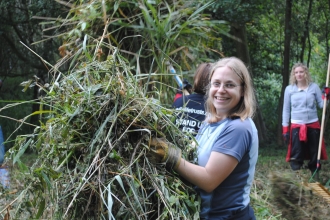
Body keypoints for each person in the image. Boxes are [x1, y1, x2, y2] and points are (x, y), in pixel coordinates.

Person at [150, 57, 258, 219]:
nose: (221, 90)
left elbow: (209, 180)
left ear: (243, 90)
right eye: (216, 83)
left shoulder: (238, 128)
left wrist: (171, 156)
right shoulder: (211, 121)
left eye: (229, 85)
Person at [282, 62, 328, 176]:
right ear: (294, 74)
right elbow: (286, 110)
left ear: (306, 73)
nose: (299, 74)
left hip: (313, 124)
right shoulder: (289, 89)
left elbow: (322, 105)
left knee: (314, 152)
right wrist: (285, 129)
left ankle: (315, 175)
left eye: (301, 72)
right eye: (296, 72)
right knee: (297, 152)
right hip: (296, 125)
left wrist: (326, 96)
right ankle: (297, 177)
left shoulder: (314, 87)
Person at [173, 63, 212, 135]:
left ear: (196, 79)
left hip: (174, 145)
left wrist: (180, 95)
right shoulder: (217, 108)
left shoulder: (179, 101)